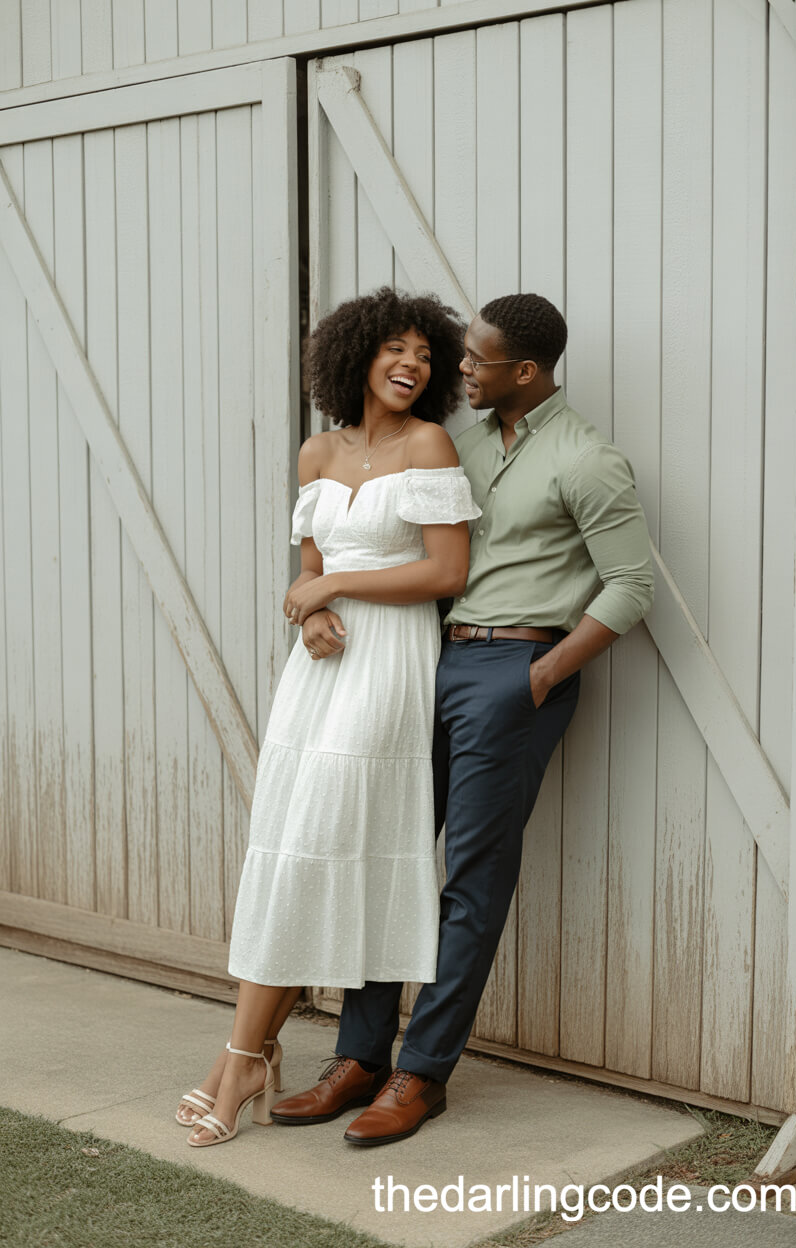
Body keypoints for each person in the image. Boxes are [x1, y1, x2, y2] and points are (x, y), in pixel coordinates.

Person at [271, 292, 654, 1146]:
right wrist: (315, 600)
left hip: (510, 671)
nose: (458, 371)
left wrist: (543, 673)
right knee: (391, 853)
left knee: (470, 879)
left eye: (474, 361)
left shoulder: (588, 459)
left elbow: (632, 585)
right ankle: (359, 1057)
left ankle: (421, 1072)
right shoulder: (456, 446)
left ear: (526, 371)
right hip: (422, 661)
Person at [176, 286, 481, 1147]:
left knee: (313, 844)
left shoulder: (429, 444)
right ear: (355, 357)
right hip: (320, 672)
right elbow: (310, 571)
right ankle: (251, 1050)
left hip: (389, 666)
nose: (412, 364)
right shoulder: (317, 452)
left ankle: (239, 1060)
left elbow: (444, 571)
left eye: (424, 353)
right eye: (395, 348)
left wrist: (333, 588)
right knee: (285, 842)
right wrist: (310, 613)